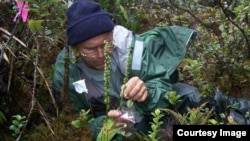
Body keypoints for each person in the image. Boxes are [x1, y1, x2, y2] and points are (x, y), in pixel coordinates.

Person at [52, 0, 250, 140]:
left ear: (112, 35)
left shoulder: (129, 46)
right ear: (75, 48)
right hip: (120, 128)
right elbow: (74, 122)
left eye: (106, 45)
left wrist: (146, 92)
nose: (101, 54)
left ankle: (242, 116)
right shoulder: (66, 73)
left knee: (188, 96)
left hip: (147, 111)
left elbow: (160, 83)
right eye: (90, 50)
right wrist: (103, 125)